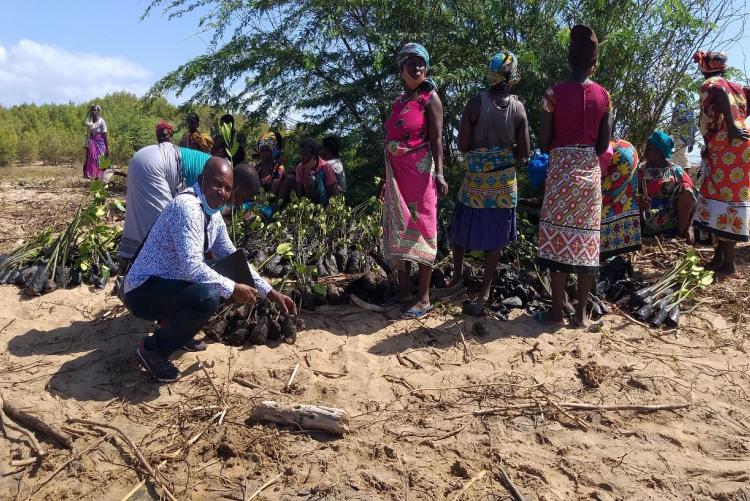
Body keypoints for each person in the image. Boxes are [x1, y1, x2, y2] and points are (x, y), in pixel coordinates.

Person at [123, 158, 296, 382]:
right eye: (217, 184)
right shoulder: (188, 208)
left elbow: (234, 259)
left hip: (167, 282)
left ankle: (176, 331)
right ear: (202, 180)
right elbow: (192, 266)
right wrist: (233, 288)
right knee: (208, 297)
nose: (222, 192)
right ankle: (152, 349)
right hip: (142, 290)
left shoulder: (212, 215)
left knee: (224, 275)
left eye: (226, 188)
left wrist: (269, 291)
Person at [536, 24, 612, 328]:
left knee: (558, 240)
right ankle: (580, 315)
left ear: (569, 59)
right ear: (594, 63)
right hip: (589, 175)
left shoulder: (552, 94)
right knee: (586, 243)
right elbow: (604, 145)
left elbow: (543, 142)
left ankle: (556, 311)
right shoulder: (604, 96)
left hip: (561, 173)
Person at [448, 50, 529, 315]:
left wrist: (481, 149)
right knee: (497, 237)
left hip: (476, 178)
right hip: (504, 182)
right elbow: (524, 152)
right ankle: (484, 292)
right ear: (513, 74)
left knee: (462, 224)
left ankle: (457, 279)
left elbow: (462, 144)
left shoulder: (475, 103)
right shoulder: (518, 108)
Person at [378, 42, 448, 319]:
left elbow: (437, 139)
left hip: (420, 174)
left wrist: (440, 173)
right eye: (412, 63)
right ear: (401, 68)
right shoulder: (398, 102)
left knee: (423, 227)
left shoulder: (430, 98)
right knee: (400, 228)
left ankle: (424, 297)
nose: (418, 68)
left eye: (422, 63)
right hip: (396, 176)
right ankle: (404, 290)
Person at [692, 51, 750, 279]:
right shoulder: (737, 87)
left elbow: (717, 92)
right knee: (718, 200)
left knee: (727, 203)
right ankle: (719, 258)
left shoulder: (711, 83)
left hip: (727, 148)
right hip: (734, 148)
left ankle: (729, 265)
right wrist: (741, 122)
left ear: (706, 66)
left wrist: (732, 125)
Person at [118, 136, 212, 263]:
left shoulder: (218, 169)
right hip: (155, 165)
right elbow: (210, 225)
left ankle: (130, 260)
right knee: (164, 227)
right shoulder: (221, 181)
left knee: (143, 221)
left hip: (145, 157)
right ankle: (143, 268)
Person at [639, 131, 696, 242]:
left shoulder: (676, 171)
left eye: (649, 148)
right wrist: (639, 199)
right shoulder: (641, 170)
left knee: (687, 190)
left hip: (670, 219)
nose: (645, 152)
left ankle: (680, 234)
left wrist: (690, 226)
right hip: (645, 218)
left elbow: (693, 200)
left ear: (660, 152)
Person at [600, 139, 641, 259]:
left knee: (601, 201)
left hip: (614, 153)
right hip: (627, 149)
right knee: (622, 199)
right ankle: (613, 247)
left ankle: (602, 250)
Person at [293, 138, 338, 206]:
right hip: (307, 203)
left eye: (304, 156)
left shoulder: (326, 167)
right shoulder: (300, 168)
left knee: (311, 180)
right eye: (300, 155)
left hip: (323, 202)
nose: (301, 158)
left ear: (314, 156)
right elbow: (300, 192)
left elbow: (332, 193)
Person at [671, 98, 698, 171]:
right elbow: (692, 125)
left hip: (680, 134)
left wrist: (674, 132)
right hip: (687, 136)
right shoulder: (690, 109)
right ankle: (669, 171)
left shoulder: (679, 107)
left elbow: (677, 121)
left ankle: (686, 173)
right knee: (677, 154)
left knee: (681, 154)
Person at [83, 104, 109, 179]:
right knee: (90, 158)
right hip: (91, 142)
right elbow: (84, 123)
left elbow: (104, 134)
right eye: (93, 110)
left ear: (98, 112)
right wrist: (88, 111)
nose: (94, 111)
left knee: (100, 158)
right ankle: (91, 174)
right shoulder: (90, 121)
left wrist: (107, 148)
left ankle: (100, 175)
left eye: (95, 110)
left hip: (100, 142)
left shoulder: (101, 121)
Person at [255, 131, 286, 195]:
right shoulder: (257, 168)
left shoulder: (278, 168)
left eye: (267, 150)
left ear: (273, 151)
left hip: (271, 203)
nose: (263, 153)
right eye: (261, 150)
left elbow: (273, 194)